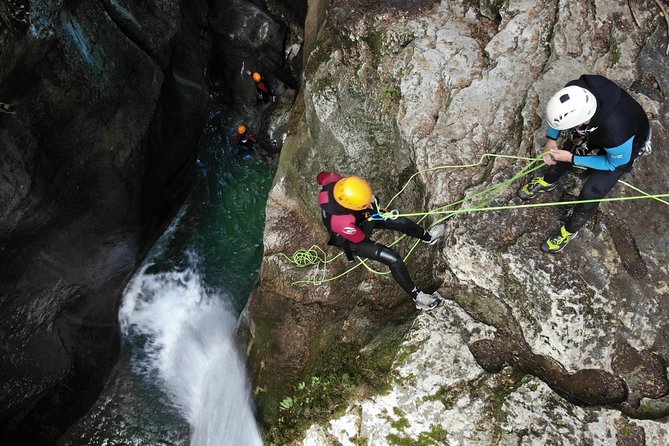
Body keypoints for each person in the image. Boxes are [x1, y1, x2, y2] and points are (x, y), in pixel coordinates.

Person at [517, 74, 651, 254]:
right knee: (564, 151)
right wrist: (551, 139)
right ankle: (548, 182)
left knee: (590, 193)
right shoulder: (576, 91)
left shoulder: (617, 132)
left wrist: (572, 159)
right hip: (597, 126)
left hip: (626, 143)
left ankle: (569, 230)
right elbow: (560, 116)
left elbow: (612, 164)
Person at [317, 171, 445, 311]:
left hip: (358, 215)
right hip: (349, 238)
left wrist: (368, 203)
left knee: (399, 221)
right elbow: (361, 237)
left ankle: (428, 237)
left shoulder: (334, 181)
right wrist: (370, 218)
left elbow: (321, 176)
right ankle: (418, 297)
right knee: (394, 259)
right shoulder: (341, 222)